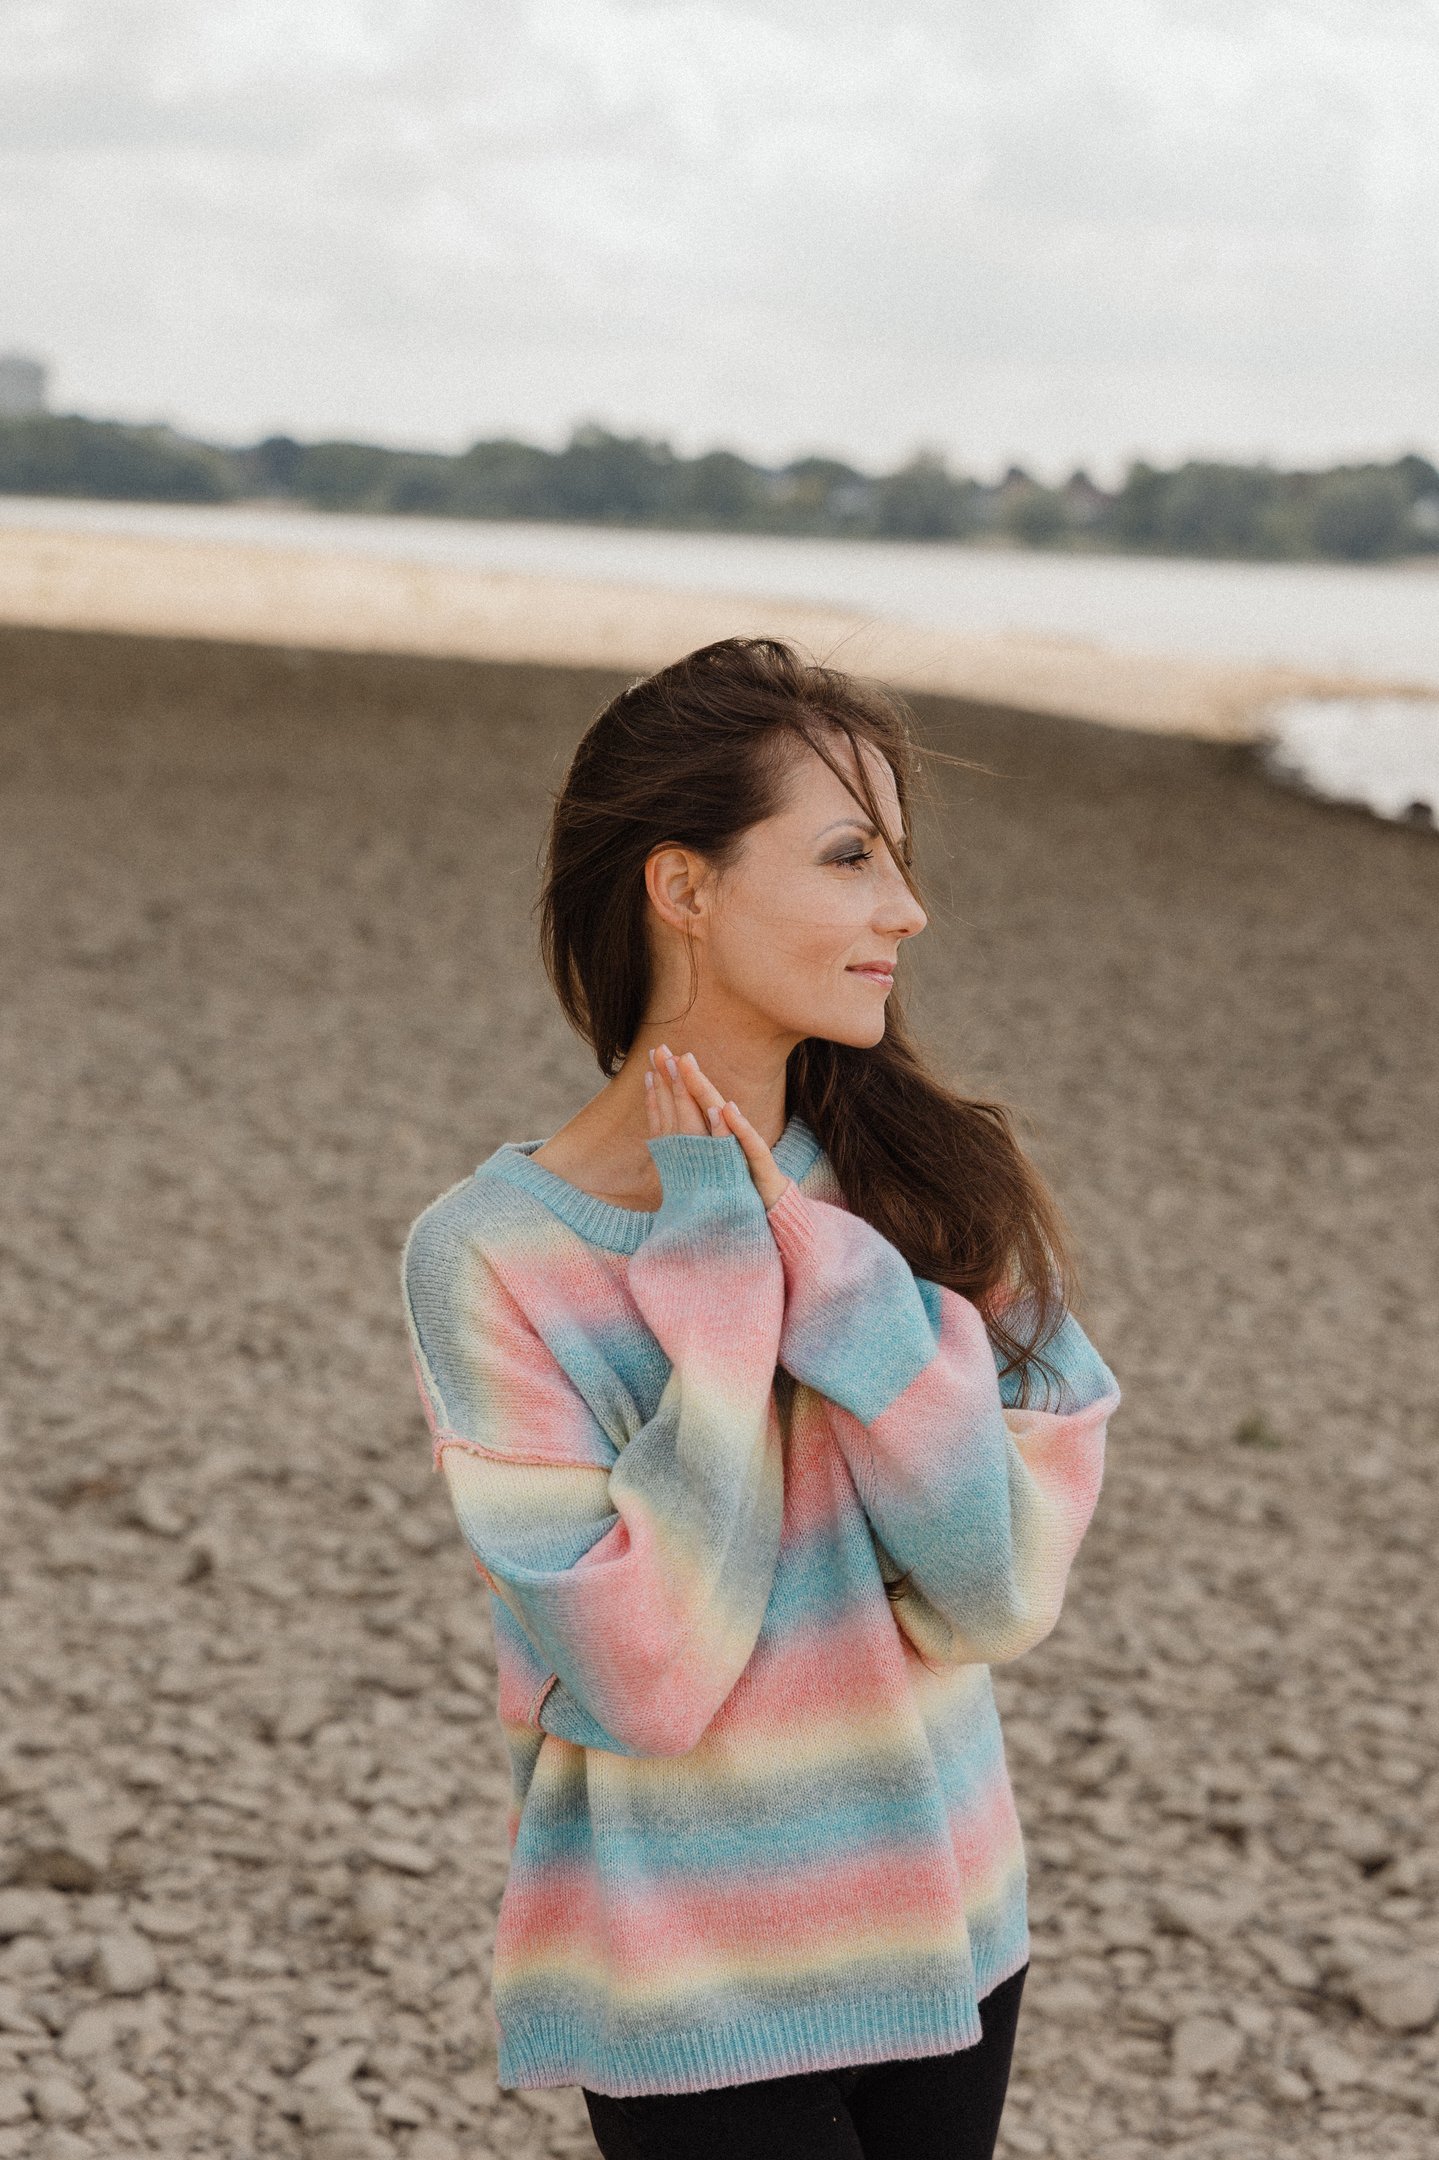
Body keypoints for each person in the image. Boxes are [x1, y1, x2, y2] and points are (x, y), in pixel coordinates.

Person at [399, 636, 1121, 2158]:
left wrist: (848, 1301)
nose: (903, 910)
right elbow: (646, 1673)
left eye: (900, 861)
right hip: (688, 1976)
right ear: (685, 887)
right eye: (851, 856)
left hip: (952, 1923)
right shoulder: (491, 1256)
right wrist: (723, 1339)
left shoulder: (931, 1189)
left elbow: (999, 1590)